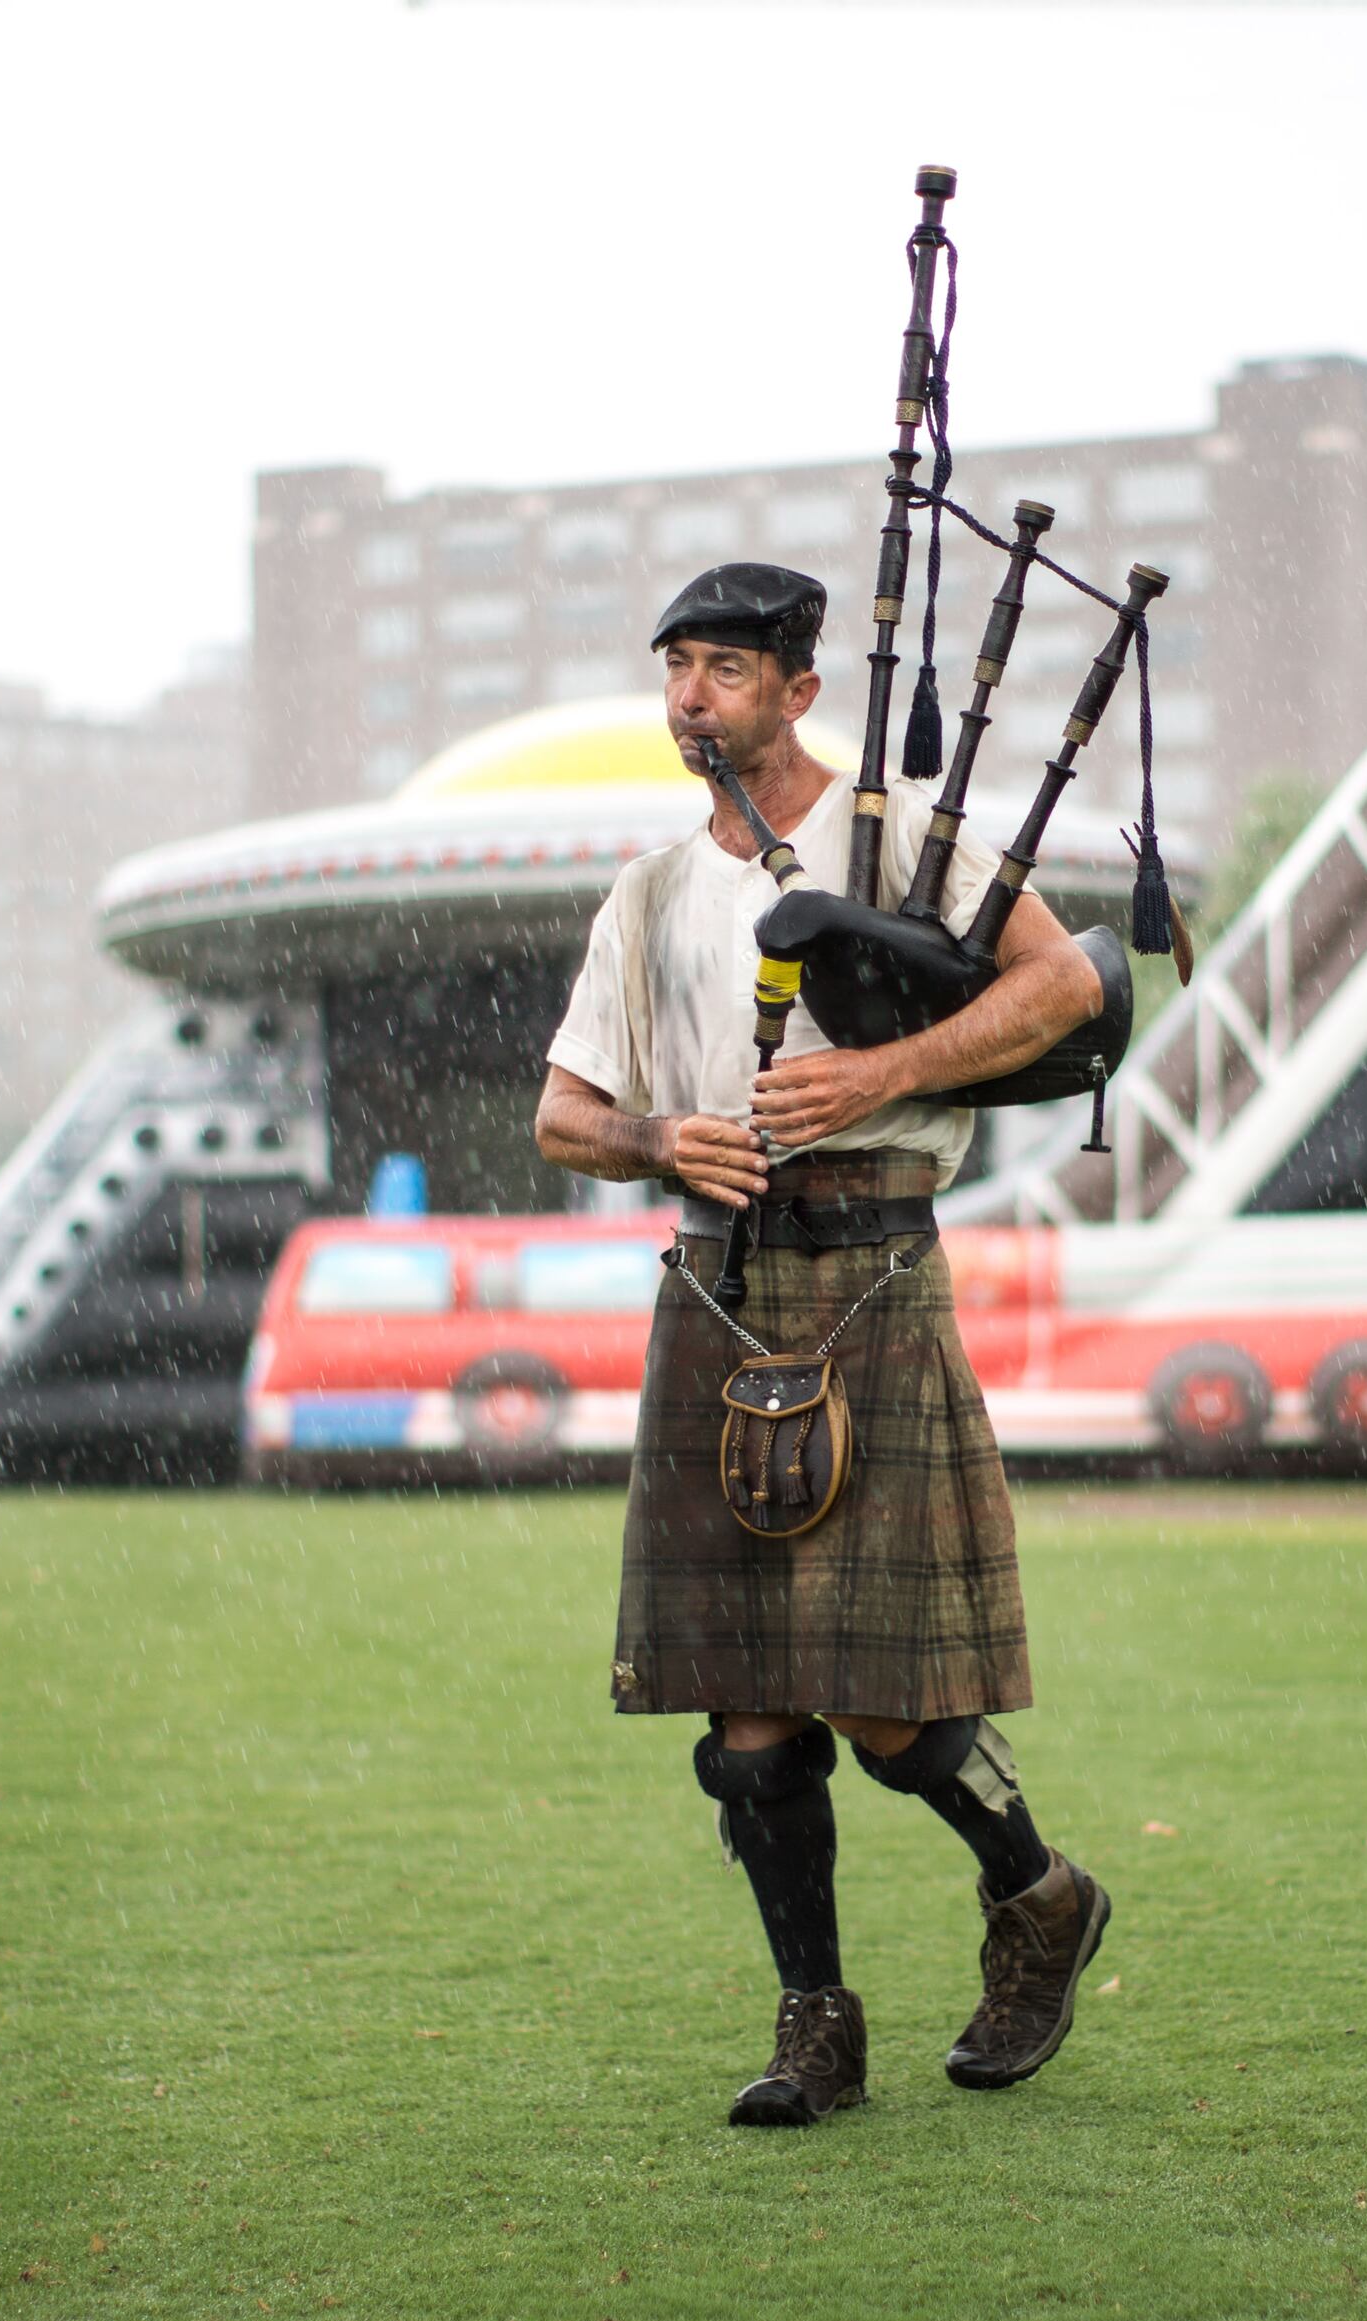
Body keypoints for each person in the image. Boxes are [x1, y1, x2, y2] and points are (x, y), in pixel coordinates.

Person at [533, 561, 1113, 2128]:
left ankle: (1040, 1894)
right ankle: (818, 2026)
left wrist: (877, 1078)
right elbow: (562, 1116)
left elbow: (1066, 984)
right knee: (746, 1721)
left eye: (723, 671)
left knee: (886, 1707)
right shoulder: (648, 896)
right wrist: (665, 1141)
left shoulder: (900, 842)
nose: (689, 701)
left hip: (872, 1267)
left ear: (800, 689)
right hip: (716, 1286)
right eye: (676, 674)